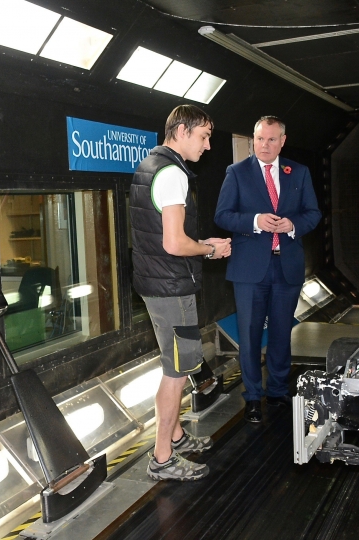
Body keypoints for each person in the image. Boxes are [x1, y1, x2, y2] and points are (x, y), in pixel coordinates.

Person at [130, 104, 231, 481]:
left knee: (177, 365)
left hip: (156, 282)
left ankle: (174, 436)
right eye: (204, 136)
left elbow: (159, 235)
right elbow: (174, 243)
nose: (207, 146)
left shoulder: (149, 165)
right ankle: (162, 459)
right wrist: (210, 248)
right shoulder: (173, 174)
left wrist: (199, 242)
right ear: (182, 131)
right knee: (176, 372)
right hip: (171, 287)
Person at [214, 116, 321, 423]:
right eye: (259, 139)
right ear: (253, 139)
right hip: (249, 270)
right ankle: (252, 398)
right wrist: (254, 221)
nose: (264, 145)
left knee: (280, 334)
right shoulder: (236, 173)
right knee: (248, 336)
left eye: (271, 140)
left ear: (282, 141)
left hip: (286, 266)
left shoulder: (298, 172)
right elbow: (223, 215)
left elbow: (313, 213)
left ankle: (277, 391)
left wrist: (294, 225)